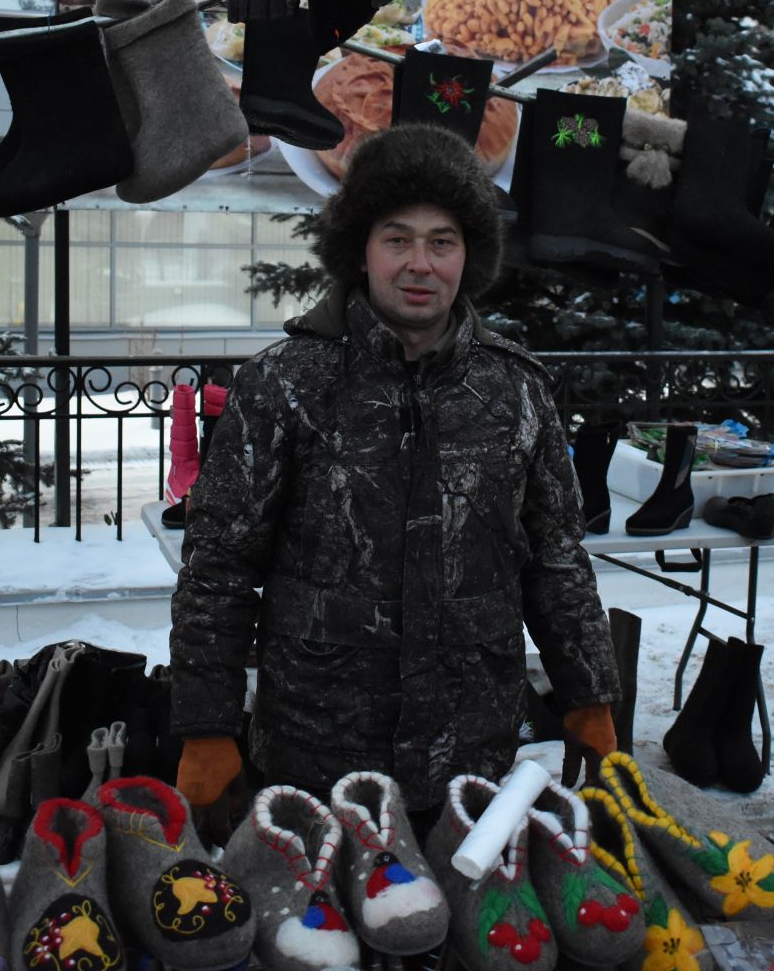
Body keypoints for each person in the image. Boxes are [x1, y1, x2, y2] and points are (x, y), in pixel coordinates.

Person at [168, 123, 620, 833]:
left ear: (468, 255)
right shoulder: (284, 385)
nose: (420, 263)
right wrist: (205, 721)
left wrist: (588, 692)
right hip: (318, 751)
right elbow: (218, 569)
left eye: (442, 241)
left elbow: (557, 560)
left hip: (473, 751)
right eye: (396, 238)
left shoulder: (517, 391)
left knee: (465, 933)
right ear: (361, 251)